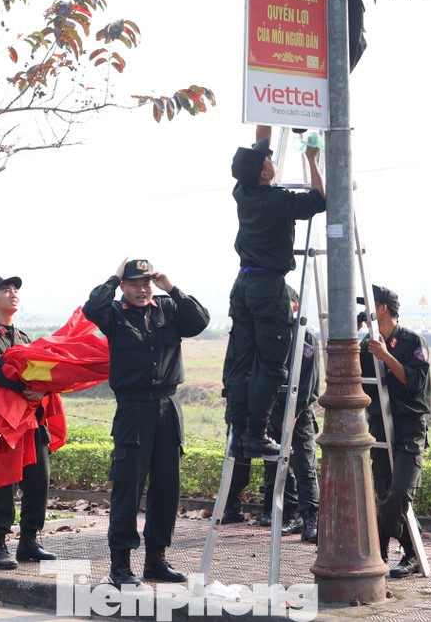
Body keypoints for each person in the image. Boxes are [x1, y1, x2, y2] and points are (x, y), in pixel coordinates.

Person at [83, 258, 210, 587]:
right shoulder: (113, 313)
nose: (142, 289)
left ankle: (157, 560)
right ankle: (120, 567)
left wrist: (171, 286)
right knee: (128, 488)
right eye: (134, 283)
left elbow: (200, 320)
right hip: (133, 409)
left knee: (167, 488)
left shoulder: (168, 308)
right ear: (123, 286)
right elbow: (92, 306)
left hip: (169, 407)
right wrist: (114, 276)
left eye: (146, 283)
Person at [226, 125, 325, 459]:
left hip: (242, 285)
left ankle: (239, 431)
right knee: (271, 365)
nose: (269, 157)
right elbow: (319, 200)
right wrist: (312, 159)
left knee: (242, 362)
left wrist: (267, 116)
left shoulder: (242, 191)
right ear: (265, 172)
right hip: (268, 287)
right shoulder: (277, 200)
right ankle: (256, 433)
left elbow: (257, 151)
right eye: (267, 158)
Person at [219, 286, 320, 543]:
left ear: (294, 307)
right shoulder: (257, 334)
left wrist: (294, 413)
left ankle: (311, 518)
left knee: (304, 467)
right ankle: (286, 516)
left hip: (295, 410)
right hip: (268, 408)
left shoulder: (305, 337)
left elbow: (309, 382)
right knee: (276, 465)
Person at [0, 274, 56, 570]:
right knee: (4, 483)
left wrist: (45, 388)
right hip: (4, 425)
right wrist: (28, 386)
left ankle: (29, 542)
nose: (13, 293)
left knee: (38, 481)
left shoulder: (24, 338)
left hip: (32, 421)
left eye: (16, 289)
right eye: (6, 289)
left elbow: (41, 371)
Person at [359, 284, 431, 578]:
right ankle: (409, 555)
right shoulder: (366, 345)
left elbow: (414, 382)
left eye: (368, 305)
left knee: (399, 493)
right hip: (379, 427)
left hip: (408, 428)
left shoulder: (414, 341)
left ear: (383, 308)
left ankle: (376, 544)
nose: (363, 312)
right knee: (385, 492)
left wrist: (385, 356)